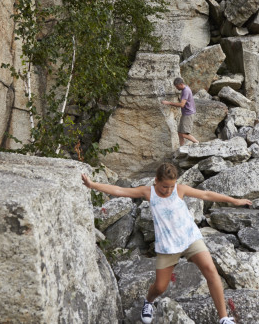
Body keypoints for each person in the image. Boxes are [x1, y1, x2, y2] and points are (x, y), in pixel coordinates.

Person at [81, 163, 249, 324]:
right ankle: (148, 302)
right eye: (164, 186)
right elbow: (119, 190)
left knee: (211, 271)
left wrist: (234, 200)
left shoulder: (180, 189)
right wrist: (92, 184)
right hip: (168, 246)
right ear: (156, 180)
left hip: (190, 238)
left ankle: (224, 318)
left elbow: (206, 195)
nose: (168, 190)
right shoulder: (148, 193)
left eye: (171, 186)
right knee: (160, 287)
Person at [162, 78, 198, 147]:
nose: (177, 88)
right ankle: (182, 148)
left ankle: (197, 142)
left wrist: (169, 103)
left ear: (181, 84)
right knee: (179, 133)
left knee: (183, 134)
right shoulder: (185, 89)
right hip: (186, 113)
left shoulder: (186, 91)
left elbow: (182, 104)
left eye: (177, 86)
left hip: (188, 114)